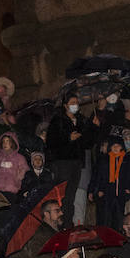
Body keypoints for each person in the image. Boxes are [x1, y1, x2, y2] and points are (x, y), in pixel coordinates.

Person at [46, 93, 95, 221]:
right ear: (65, 105)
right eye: (72, 102)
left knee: (71, 196)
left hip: (77, 162)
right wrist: (68, 138)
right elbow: (51, 142)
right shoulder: (58, 121)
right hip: (62, 163)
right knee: (63, 195)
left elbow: (88, 143)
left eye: (77, 103)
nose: (75, 105)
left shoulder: (81, 120)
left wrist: (94, 128)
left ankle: (68, 223)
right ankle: (60, 222)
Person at [0, 131, 27, 197]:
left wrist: (17, 181)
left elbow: (24, 170)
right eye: (3, 141)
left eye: (7, 141)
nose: (5, 144)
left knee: (10, 206)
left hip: (12, 189)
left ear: (12, 143)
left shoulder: (19, 157)